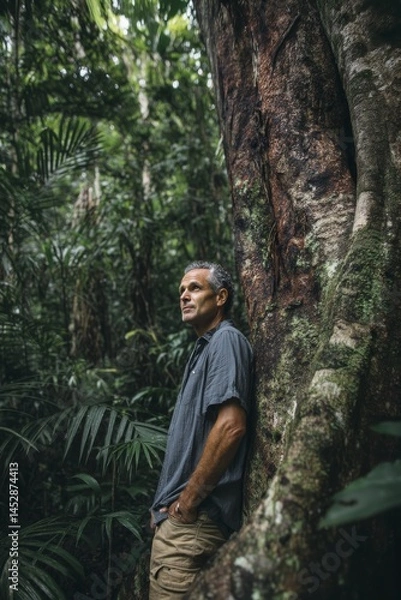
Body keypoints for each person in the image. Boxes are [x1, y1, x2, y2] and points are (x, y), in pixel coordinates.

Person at [149, 261, 253, 599]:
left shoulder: (225, 340)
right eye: (181, 291)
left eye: (194, 288)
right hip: (186, 526)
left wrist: (186, 503)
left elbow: (231, 426)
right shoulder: (205, 348)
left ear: (220, 297)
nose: (184, 296)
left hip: (192, 527)